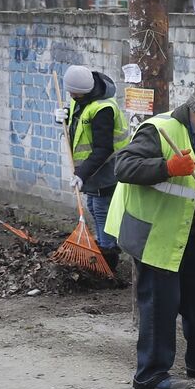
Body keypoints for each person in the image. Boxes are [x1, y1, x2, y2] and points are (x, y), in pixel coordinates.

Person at [106, 78, 195, 389]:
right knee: (160, 303)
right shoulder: (159, 130)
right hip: (155, 233)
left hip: (189, 233)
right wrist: (167, 167)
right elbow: (124, 167)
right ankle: (151, 374)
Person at [63, 63, 129, 268]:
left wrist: (82, 174)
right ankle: (103, 244)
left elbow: (103, 148)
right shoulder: (81, 100)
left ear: (84, 91)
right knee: (92, 204)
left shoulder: (103, 109)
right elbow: (78, 124)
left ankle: (108, 254)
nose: (71, 96)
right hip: (92, 167)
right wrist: (64, 118)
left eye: (74, 93)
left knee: (101, 209)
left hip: (107, 167)